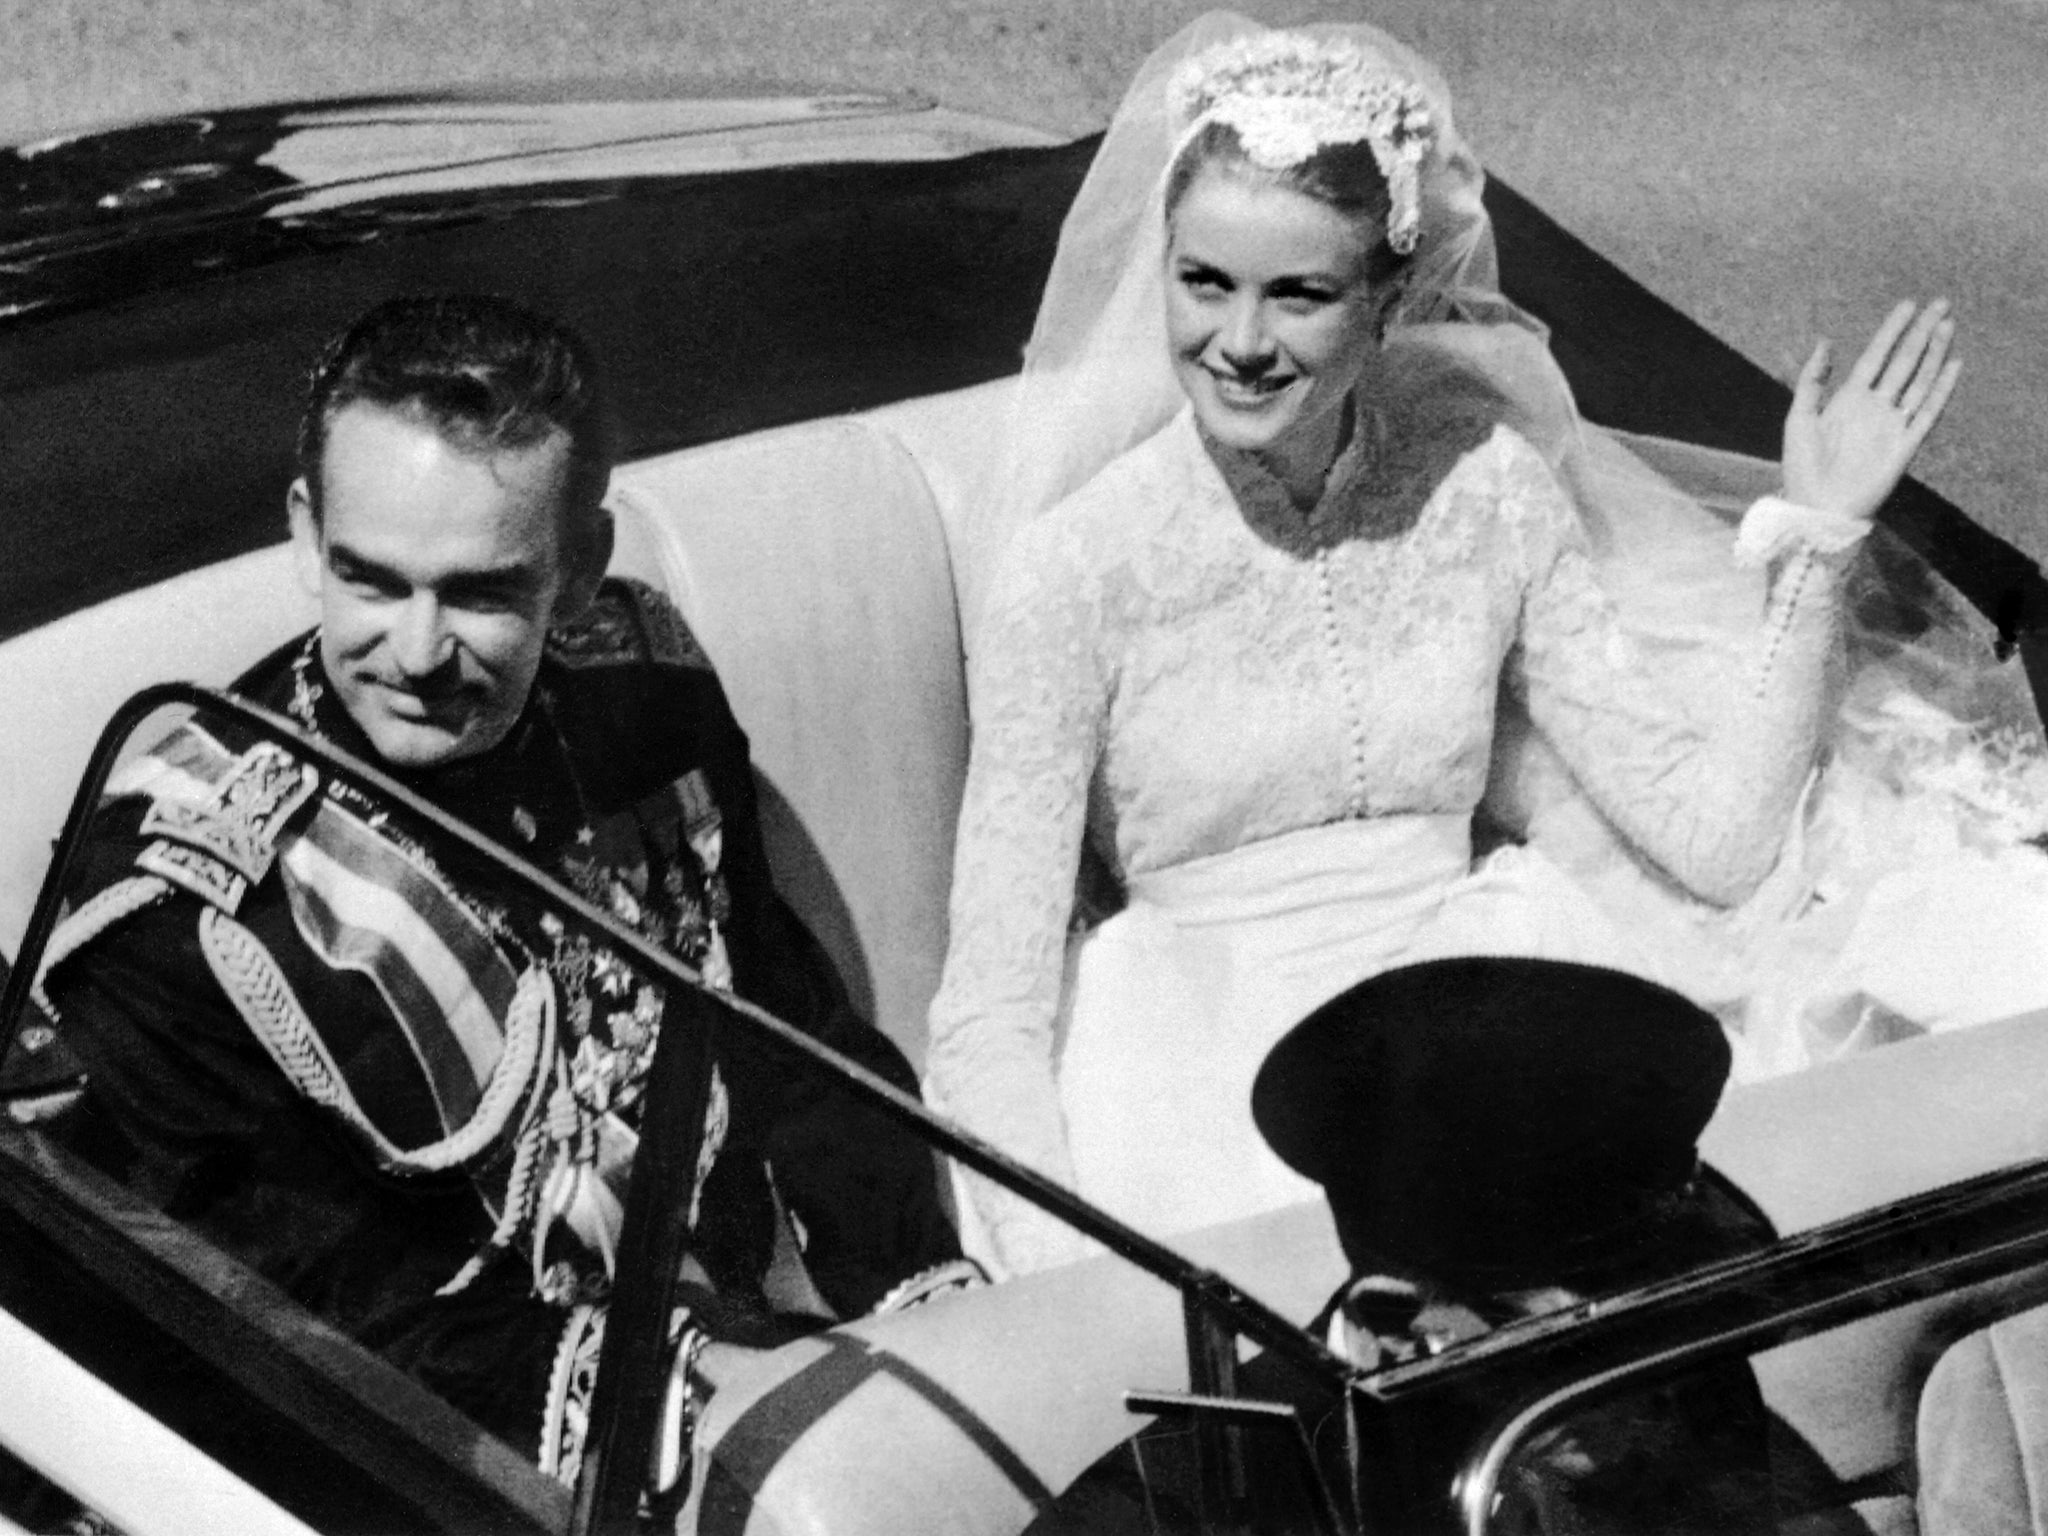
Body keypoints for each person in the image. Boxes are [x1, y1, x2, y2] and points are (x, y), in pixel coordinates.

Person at [923, 13, 1983, 1278]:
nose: (1240, 343)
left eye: (1299, 294)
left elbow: (1714, 839)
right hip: (1191, 1073)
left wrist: (1816, 534)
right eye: (1202, 281)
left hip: (1482, 1007)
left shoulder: (1485, 487)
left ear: (1384, 306)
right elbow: (988, 1008)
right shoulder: (1074, 570)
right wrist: (1069, 1290)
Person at [32, 294, 968, 1488]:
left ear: (580, 568)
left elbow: (787, 1032)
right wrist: (717, 1402)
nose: (416, 654)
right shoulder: (185, 899)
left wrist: (919, 1300)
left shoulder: (645, 695)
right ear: (307, 537)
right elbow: (319, 1328)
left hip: (759, 1354)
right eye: (372, 582)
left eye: (477, 594)